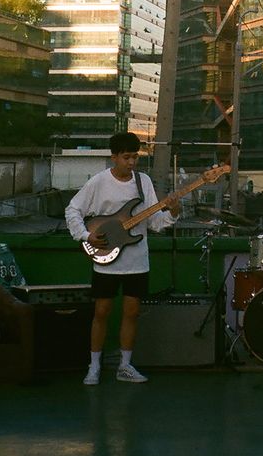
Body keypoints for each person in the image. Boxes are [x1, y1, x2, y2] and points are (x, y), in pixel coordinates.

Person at [65, 132, 180, 385]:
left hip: (137, 260)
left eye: (134, 157)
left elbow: (156, 223)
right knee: (102, 311)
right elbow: (73, 209)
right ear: (114, 157)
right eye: (126, 157)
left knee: (131, 311)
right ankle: (93, 366)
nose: (131, 162)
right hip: (106, 258)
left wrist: (173, 210)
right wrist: (85, 235)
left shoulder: (143, 182)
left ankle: (125, 366)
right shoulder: (98, 182)